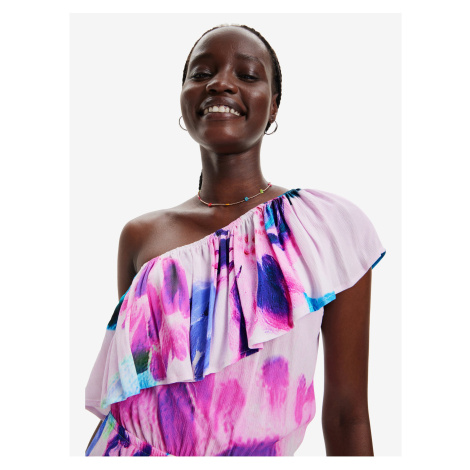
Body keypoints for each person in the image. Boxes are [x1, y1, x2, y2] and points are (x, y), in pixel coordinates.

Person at [84, 23, 386, 457]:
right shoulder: (141, 236)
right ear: (184, 98)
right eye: (201, 73)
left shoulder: (325, 230)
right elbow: (141, 388)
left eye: (246, 74)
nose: (220, 83)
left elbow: (347, 414)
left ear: (274, 106)